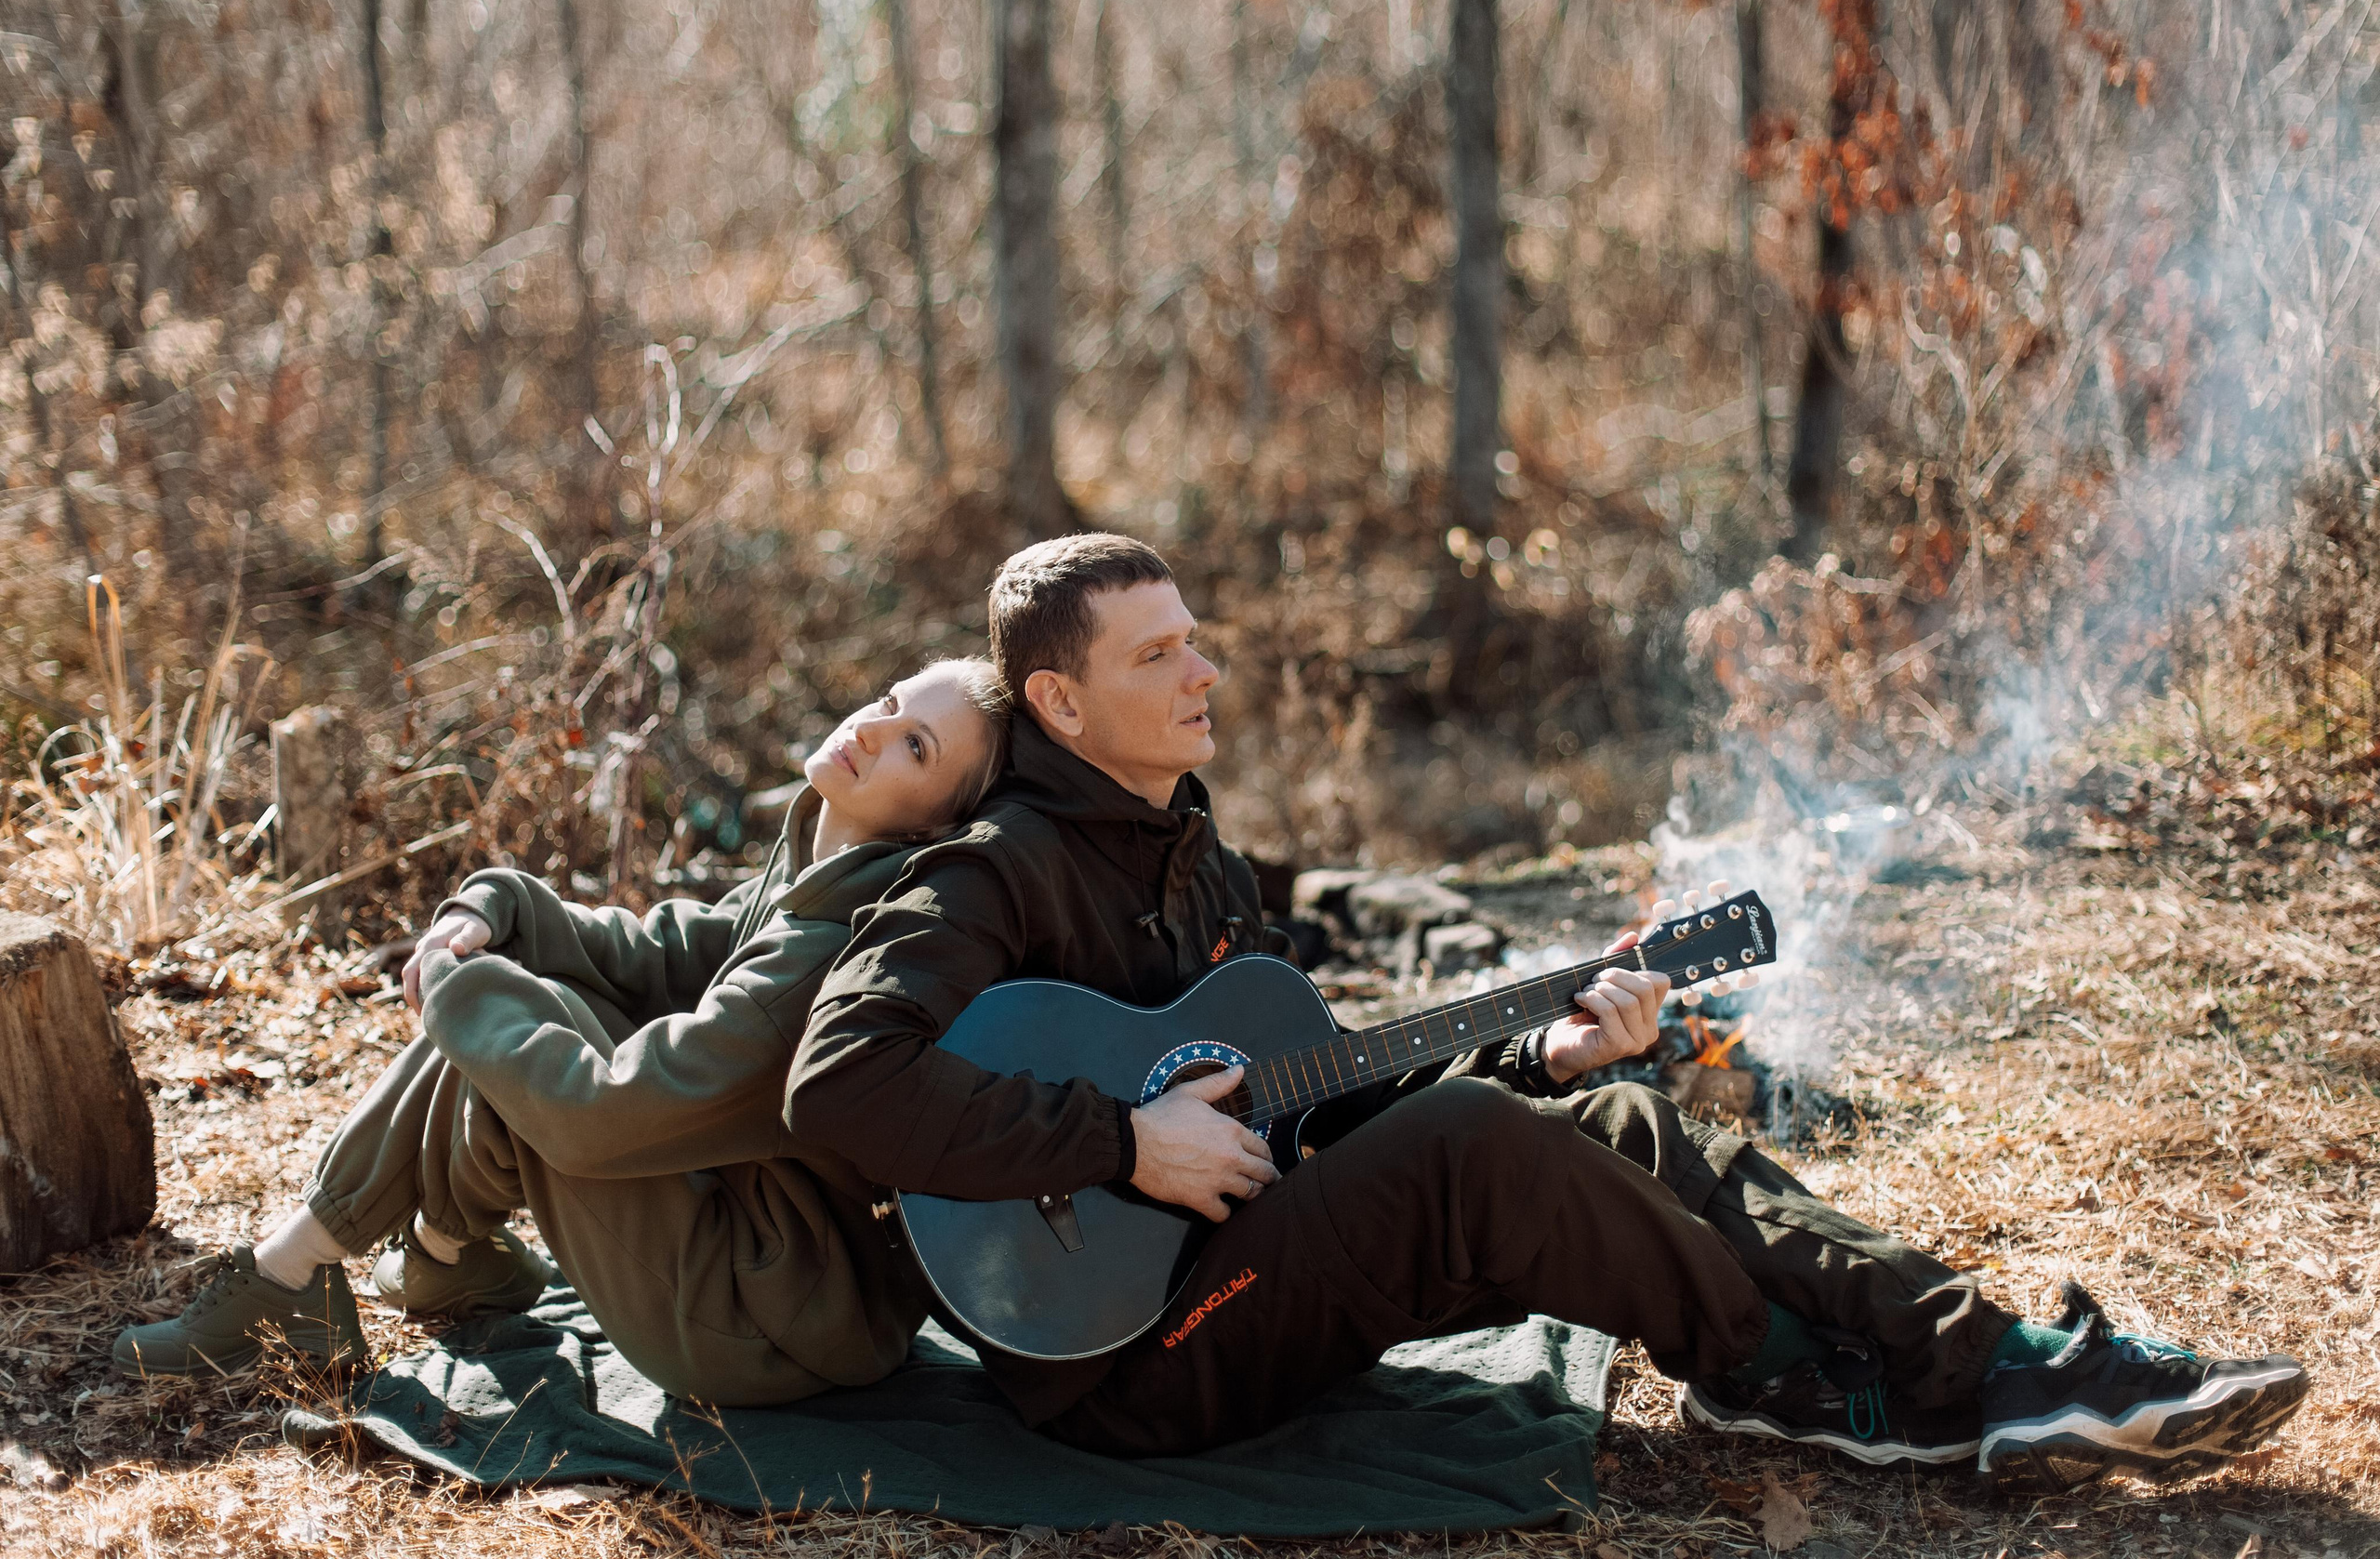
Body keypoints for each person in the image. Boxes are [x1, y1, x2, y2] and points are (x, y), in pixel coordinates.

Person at [785, 534, 2308, 1491]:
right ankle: (1806, 1377)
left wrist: (1542, 1046)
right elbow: (838, 1086)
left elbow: (1294, 1097)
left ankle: (1987, 1356)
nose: (1205, 669)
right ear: (1058, 705)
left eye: (1194, 634)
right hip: (1122, 1359)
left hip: (1240, 1255)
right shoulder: (993, 879)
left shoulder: (1201, 862)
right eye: (1157, 652)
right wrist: (1120, 1142)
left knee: (1613, 1108)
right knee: (1468, 1143)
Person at [115, 656, 1011, 1407]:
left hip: (767, 1322)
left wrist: (468, 994)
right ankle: (437, 1256)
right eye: (889, 705)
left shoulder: (836, 951)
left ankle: (294, 1278)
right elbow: (661, 954)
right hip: (782, 1270)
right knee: (514, 1009)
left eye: (914, 747)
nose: (872, 730)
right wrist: (497, 911)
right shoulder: (822, 877)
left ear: (938, 827)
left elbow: (605, 1114)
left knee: (508, 1029)